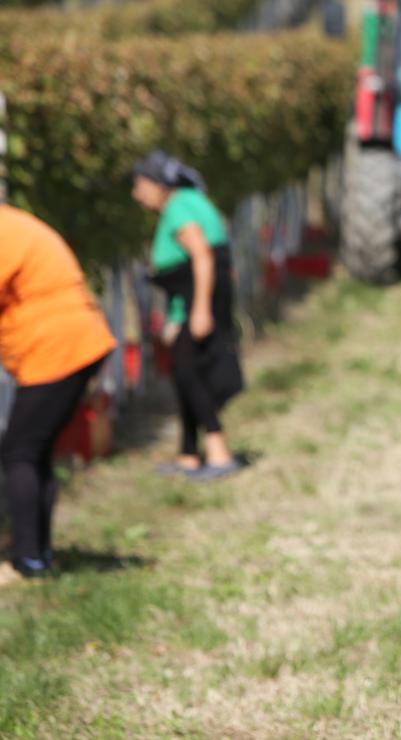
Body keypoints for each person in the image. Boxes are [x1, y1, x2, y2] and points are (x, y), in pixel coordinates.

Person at [0, 205, 117, 579]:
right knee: (34, 452)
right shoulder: (14, 222)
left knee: (19, 453)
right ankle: (38, 553)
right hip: (72, 341)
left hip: (56, 347)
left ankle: (28, 560)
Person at [131, 151, 243, 481]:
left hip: (200, 301)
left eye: (140, 185)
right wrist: (178, 316)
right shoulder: (192, 200)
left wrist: (199, 311)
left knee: (190, 374)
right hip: (196, 299)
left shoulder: (179, 207)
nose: (136, 194)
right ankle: (189, 455)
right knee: (185, 374)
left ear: (159, 185)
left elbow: (203, 258)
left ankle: (219, 453)